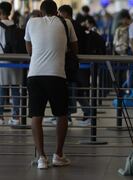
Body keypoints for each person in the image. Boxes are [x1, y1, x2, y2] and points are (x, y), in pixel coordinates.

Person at [24, 0, 78, 169]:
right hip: (57, 75)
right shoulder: (66, 22)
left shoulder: (31, 22)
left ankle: (41, 158)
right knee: (61, 115)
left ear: (40, 12)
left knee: (36, 116)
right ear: (57, 12)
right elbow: (75, 49)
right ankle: (58, 155)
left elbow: (29, 49)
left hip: (34, 75)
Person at [0, 1, 22, 126]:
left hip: (2, 62)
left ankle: (1, 116)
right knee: (15, 91)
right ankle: (16, 117)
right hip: (16, 63)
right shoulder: (16, 26)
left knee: (1, 90)